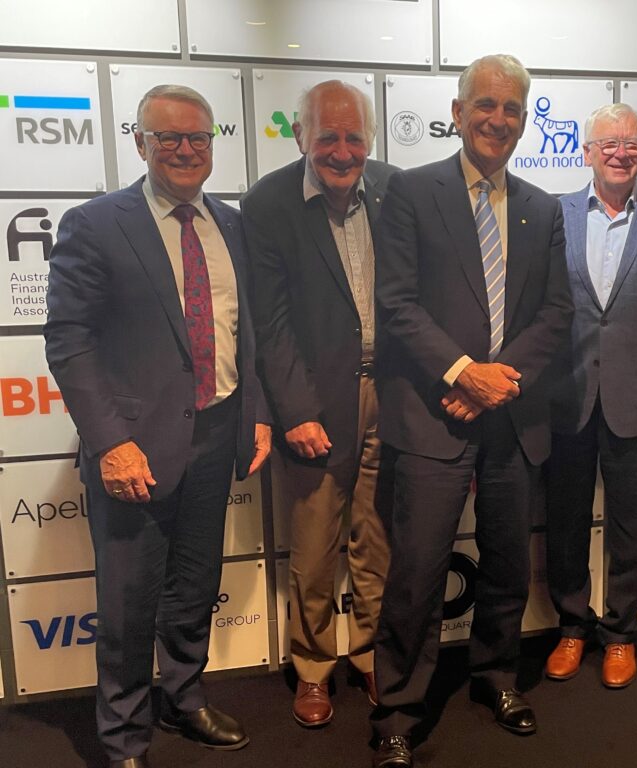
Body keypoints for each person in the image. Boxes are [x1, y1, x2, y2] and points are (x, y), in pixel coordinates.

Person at [44, 84, 271, 768]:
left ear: (213, 144)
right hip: (134, 447)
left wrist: (256, 415)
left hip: (217, 432)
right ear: (140, 142)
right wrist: (112, 442)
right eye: (167, 137)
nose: (184, 149)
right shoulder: (95, 224)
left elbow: (246, 334)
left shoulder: (232, 225)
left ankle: (185, 695)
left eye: (197, 137)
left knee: (196, 583)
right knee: (127, 598)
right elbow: (69, 342)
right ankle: (122, 733)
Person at [370, 54, 573, 768]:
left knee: (509, 562)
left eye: (512, 107)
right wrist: (462, 373)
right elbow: (396, 303)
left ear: (524, 120)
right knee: (418, 572)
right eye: (485, 104)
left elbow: (556, 312)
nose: (498, 118)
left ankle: (496, 676)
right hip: (433, 414)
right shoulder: (410, 191)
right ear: (458, 113)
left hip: (513, 415)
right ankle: (398, 709)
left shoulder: (543, 207)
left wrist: (499, 381)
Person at [242, 80, 395, 726]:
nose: (342, 150)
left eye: (354, 137)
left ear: (371, 140)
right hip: (314, 401)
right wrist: (295, 410)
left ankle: (373, 652)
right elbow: (269, 323)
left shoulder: (394, 190)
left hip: (392, 394)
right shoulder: (268, 203)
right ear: (300, 135)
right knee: (312, 548)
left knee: (378, 540)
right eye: (327, 136)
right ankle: (312, 668)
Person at [543, 103, 637, 689]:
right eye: (608, 142)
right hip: (566, 400)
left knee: (632, 527)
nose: (620, 152)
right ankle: (572, 627)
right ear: (586, 151)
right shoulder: (554, 215)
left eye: (631, 143)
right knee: (565, 524)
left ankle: (620, 635)